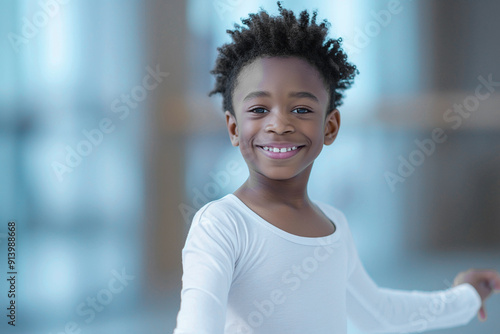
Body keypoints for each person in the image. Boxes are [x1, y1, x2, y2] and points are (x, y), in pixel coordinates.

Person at [173, 2, 500, 333]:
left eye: (301, 109)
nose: (279, 124)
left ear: (330, 127)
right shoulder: (222, 226)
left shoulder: (334, 226)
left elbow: (381, 313)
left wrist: (467, 296)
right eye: (258, 109)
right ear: (232, 128)